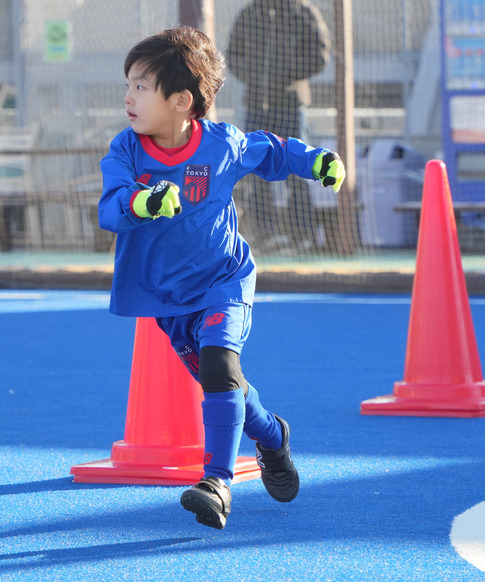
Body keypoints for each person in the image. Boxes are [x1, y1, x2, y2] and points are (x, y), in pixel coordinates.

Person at [98, 26, 344, 529]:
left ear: (181, 101)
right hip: (169, 298)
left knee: (219, 363)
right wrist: (142, 202)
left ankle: (217, 483)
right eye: (128, 85)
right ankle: (272, 435)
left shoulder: (221, 145)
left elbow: (271, 150)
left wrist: (315, 159)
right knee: (222, 383)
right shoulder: (126, 150)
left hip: (225, 280)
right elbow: (110, 206)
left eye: (141, 87)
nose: (128, 97)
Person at [227, 0, 332, 252]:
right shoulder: (250, 13)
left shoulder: (303, 13)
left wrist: (282, 73)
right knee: (256, 170)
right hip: (256, 105)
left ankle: (302, 237)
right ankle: (263, 234)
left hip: (290, 105)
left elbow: (320, 56)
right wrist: (254, 74)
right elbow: (233, 55)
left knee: (298, 168)